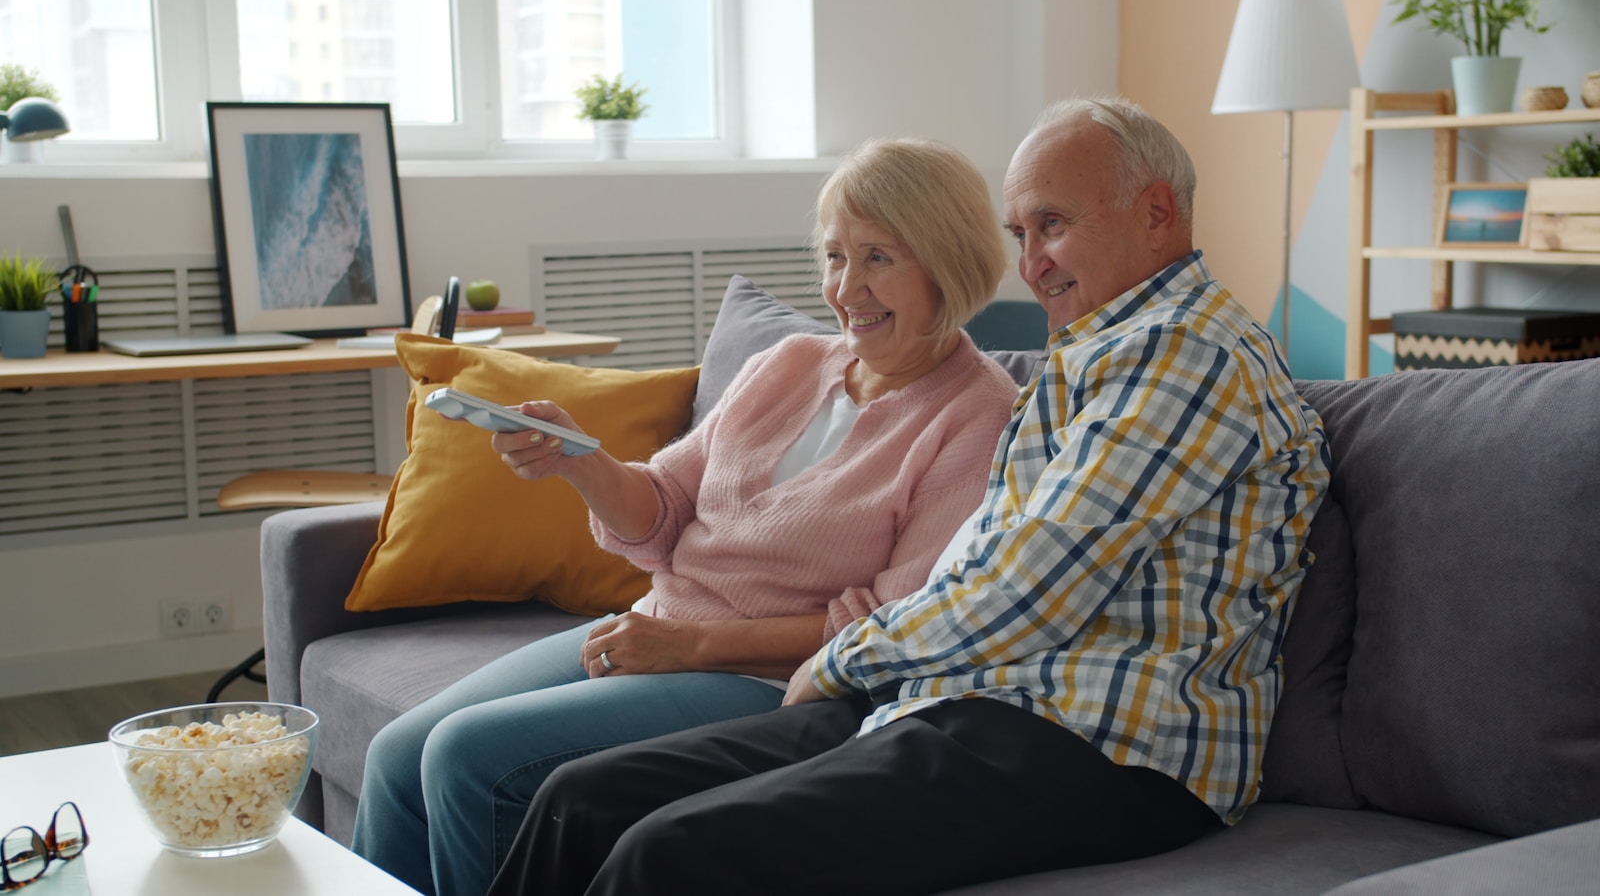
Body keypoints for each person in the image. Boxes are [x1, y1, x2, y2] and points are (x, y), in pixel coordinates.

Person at [484, 96, 1333, 896]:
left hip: (1108, 748)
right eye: (1021, 231)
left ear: (1156, 214)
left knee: (665, 852)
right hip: (971, 701)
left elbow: (1030, 588)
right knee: (580, 800)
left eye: (1054, 225)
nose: (1031, 261)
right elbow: (985, 568)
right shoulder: (1091, 359)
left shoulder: (1188, 357)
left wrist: (842, 659)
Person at [349, 137, 1022, 896]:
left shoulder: (978, 416)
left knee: (466, 756)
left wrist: (689, 645)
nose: (846, 288)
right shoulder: (794, 362)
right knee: (399, 754)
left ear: (948, 262)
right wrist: (582, 462)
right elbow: (664, 509)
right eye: (835, 257)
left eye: (877, 258)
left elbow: (888, 627)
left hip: (770, 680)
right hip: (663, 621)